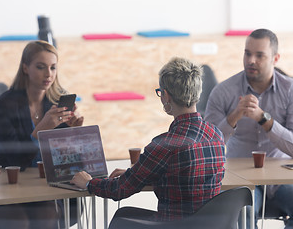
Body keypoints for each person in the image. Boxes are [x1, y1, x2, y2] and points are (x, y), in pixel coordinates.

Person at [71, 57, 226, 227]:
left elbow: (119, 189)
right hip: (208, 224)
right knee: (124, 214)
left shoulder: (164, 145)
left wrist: (87, 182)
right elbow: (188, 178)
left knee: (121, 219)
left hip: (174, 225)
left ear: (166, 96)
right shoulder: (216, 135)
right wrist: (139, 174)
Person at [204, 28, 293, 228]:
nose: (251, 60)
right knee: (243, 213)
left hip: (282, 177)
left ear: (275, 58)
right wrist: (234, 116)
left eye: (260, 55)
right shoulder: (223, 91)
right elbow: (207, 146)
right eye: (247, 53)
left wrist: (264, 119)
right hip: (241, 178)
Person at [0, 40, 84, 229]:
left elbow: (69, 159)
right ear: (25, 67)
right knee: (17, 220)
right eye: (41, 67)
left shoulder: (58, 102)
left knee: (47, 213)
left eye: (53, 68)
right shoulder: (3, 104)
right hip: (10, 182)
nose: (49, 74)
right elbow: (13, 158)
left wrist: (74, 130)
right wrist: (40, 131)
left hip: (44, 184)